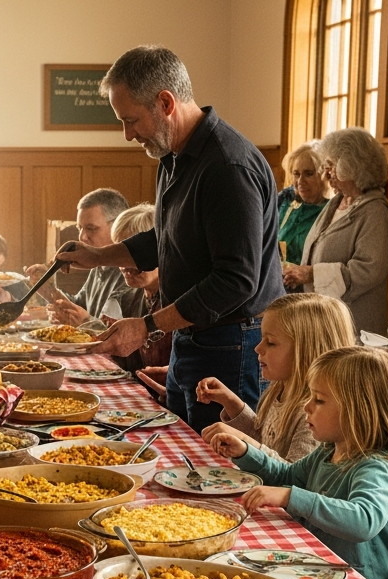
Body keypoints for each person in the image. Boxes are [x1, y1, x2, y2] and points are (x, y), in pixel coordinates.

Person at [53, 46, 285, 433]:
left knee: (219, 472)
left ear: (165, 102)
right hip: (192, 335)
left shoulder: (228, 166)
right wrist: (98, 255)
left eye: (131, 120)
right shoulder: (173, 157)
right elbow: (166, 238)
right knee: (184, 454)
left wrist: (146, 326)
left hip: (233, 343)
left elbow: (235, 280)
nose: (127, 135)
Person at [214, 346, 388, 579]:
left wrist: (290, 496)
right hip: (318, 567)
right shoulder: (328, 451)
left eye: (319, 400)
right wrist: (246, 452)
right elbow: (287, 477)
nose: (307, 406)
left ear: (358, 411)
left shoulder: (375, 466)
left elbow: (364, 521)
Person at [199, 293, 355, 463]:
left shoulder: (315, 412)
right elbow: (264, 439)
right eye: (262, 338)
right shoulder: (277, 389)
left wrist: (244, 442)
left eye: (271, 342)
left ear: (304, 351)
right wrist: (231, 402)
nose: (258, 348)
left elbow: (294, 477)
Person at [283, 127, 388, 335]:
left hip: (354, 325)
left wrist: (312, 273)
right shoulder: (336, 202)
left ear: (352, 167)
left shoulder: (375, 211)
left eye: (331, 166)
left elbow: (368, 270)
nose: (326, 174)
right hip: (324, 319)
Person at [24, 188, 131, 324]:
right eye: (79, 228)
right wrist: (48, 289)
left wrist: (85, 323)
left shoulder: (132, 273)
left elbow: (127, 337)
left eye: (91, 228)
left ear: (118, 225)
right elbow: (80, 307)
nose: (82, 237)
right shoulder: (98, 263)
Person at [108, 204, 169, 375]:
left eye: (135, 255)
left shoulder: (181, 300)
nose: (125, 264)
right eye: (120, 253)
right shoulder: (127, 299)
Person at [276, 143, 331, 268]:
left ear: (323, 176)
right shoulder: (285, 206)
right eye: (296, 174)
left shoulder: (330, 212)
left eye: (308, 174)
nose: (300, 181)